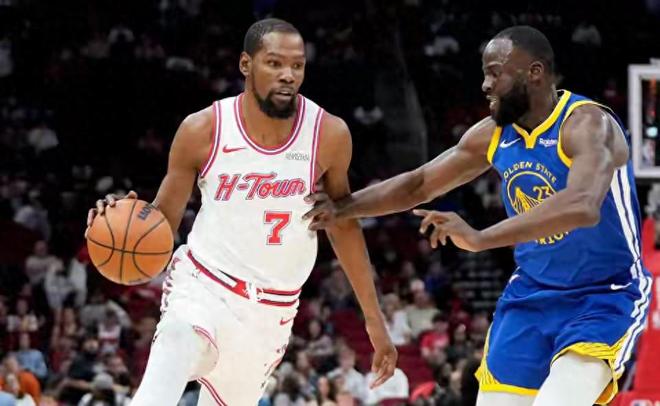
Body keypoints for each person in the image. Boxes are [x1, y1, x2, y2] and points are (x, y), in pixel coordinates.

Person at [304, 25, 652, 406]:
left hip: (604, 295)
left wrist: (480, 238)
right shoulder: (493, 134)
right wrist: (343, 206)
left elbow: (582, 205)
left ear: (534, 73)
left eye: (495, 73)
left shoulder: (588, 124)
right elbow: (420, 183)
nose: (485, 85)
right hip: (531, 294)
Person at [85, 18, 397, 406]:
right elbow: (161, 225)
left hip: (271, 314)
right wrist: (121, 220)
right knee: (171, 353)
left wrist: (373, 320)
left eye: (297, 65)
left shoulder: (329, 135)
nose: (288, 75)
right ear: (246, 64)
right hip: (204, 286)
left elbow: (344, 225)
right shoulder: (202, 130)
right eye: (275, 63)